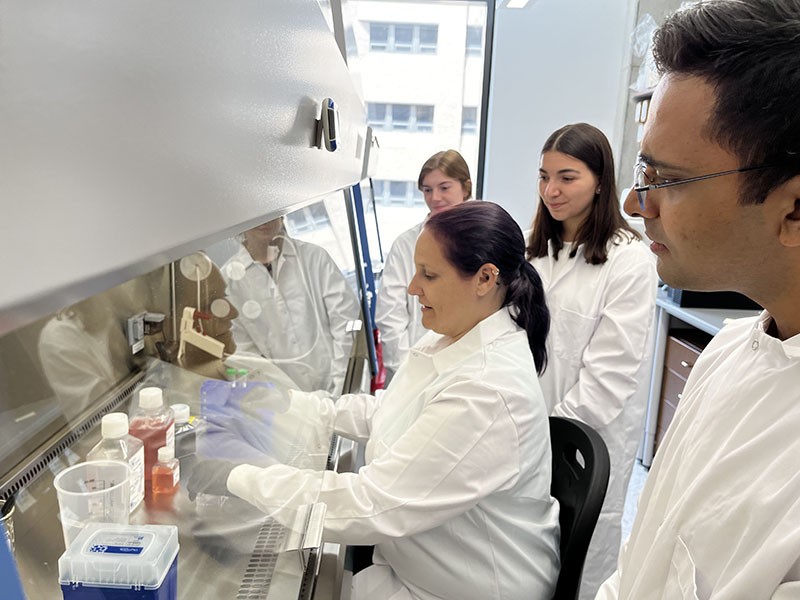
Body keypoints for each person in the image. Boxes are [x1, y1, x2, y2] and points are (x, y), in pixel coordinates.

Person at [189, 201, 560, 600]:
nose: (412, 287)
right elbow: (389, 411)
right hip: (424, 566)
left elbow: (369, 504)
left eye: (429, 275)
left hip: (471, 588)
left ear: (486, 278)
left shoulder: (487, 390)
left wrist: (238, 476)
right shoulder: (455, 335)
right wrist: (289, 405)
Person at [596, 1, 800, 598]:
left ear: (794, 208)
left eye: (668, 180)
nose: (636, 204)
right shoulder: (733, 351)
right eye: (642, 171)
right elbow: (644, 562)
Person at [526, 123, 658, 599]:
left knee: (580, 562)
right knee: (527, 555)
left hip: (584, 440)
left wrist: (547, 437)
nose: (551, 190)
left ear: (601, 181)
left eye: (567, 177)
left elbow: (609, 377)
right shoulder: (533, 248)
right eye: (543, 177)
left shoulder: (630, 261)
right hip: (528, 429)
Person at [220, 217, 361, 395]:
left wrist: (340, 389)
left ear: (282, 213)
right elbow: (244, 356)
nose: (263, 220)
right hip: (284, 404)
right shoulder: (229, 280)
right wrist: (285, 402)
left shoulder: (314, 257)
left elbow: (346, 324)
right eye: (253, 214)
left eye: (269, 210)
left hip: (338, 388)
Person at [375, 149, 472, 380]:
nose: (435, 198)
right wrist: (405, 373)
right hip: (416, 365)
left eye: (444, 187)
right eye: (427, 190)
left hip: (468, 366)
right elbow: (390, 314)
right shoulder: (406, 244)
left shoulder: (486, 240)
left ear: (465, 188)